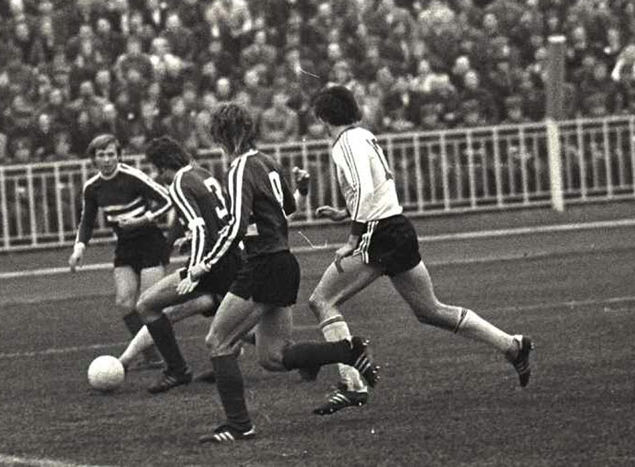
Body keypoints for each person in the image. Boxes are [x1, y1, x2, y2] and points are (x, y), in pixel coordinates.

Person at [306, 85, 534, 415]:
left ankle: (352, 385)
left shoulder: (344, 142)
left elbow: (366, 189)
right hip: (397, 227)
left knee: (322, 301)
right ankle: (512, 345)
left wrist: (353, 238)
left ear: (325, 117)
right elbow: (376, 186)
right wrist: (345, 212)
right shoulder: (363, 135)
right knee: (430, 311)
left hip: (378, 232)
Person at [189, 103, 379, 443]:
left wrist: (206, 263)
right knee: (273, 357)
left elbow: (236, 226)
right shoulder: (268, 162)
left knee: (218, 342)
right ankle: (349, 350)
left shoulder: (239, 168)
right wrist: (301, 191)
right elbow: (287, 210)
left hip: (262, 265)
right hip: (282, 263)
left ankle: (239, 425)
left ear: (224, 136)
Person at [116, 135, 243, 394]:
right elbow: (219, 218)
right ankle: (303, 358)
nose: (157, 175)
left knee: (146, 305)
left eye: (156, 169)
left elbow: (199, 227)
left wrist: (194, 271)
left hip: (211, 264)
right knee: (230, 318)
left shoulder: (179, 183)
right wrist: (191, 241)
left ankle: (177, 370)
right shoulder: (201, 173)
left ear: (163, 166)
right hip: (231, 258)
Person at [68, 134, 171, 370]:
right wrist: (79, 248)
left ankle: (170, 355)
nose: (107, 160)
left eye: (111, 154)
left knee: (148, 304)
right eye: (101, 155)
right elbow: (87, 221)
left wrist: (144, 219)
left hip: (149, 241)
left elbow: (167, 199)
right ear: (93, 159)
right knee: (125, 303)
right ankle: (152, 356)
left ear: (119, 156)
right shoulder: (92, 187)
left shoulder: (132, 176)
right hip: (125, 245)